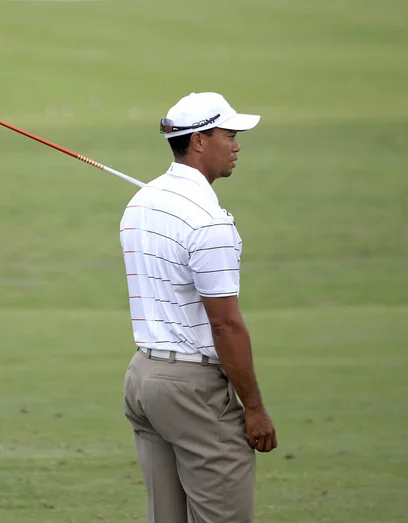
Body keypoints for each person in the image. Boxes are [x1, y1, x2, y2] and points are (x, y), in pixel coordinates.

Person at [120, 92, 277, 523]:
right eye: (230, 134)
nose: (238, 145)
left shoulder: (141, 203)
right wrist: (256, 409)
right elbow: (226, 326)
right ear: (200, 141)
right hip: (192, 390)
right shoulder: (209, 223)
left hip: (143, 378)